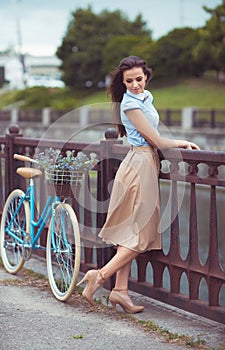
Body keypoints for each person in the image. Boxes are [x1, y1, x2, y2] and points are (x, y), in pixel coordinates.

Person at [77, 56, 200, 313]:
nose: (135, 84)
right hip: (140, 164)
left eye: (139, 79)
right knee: (142, 234)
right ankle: (99, 276)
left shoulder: (145, 98)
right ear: (123, 83)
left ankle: (120, 291)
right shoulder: (130, 105)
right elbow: (154, 139)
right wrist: (182, 142)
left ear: (147, 77)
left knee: (129, 231)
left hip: (142, 162)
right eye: (129, 81)